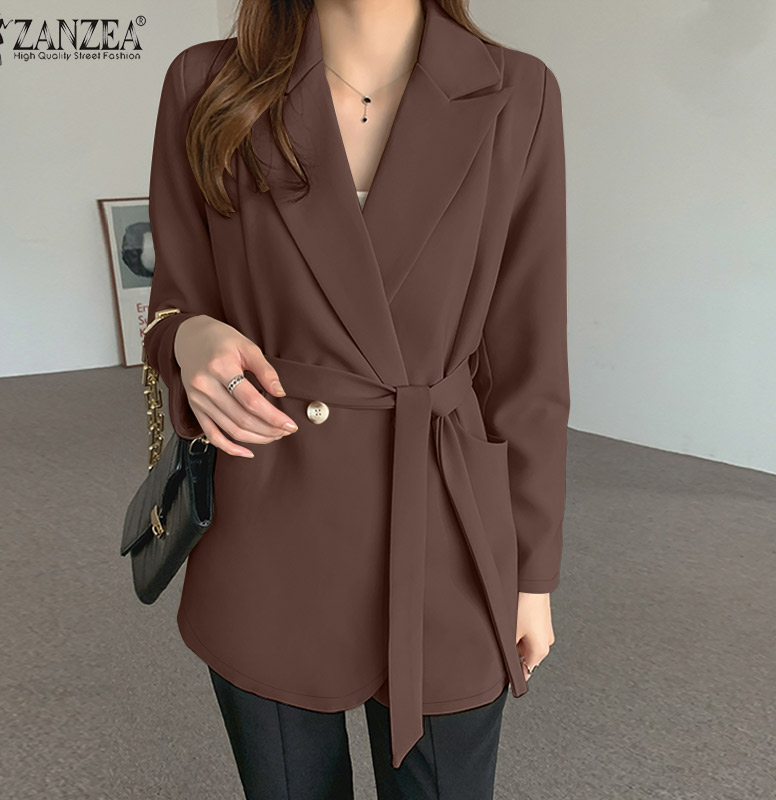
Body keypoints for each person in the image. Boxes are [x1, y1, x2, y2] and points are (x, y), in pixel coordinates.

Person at [141, 0, 569, 797]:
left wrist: (532, 572)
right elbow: (175, 299)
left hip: (447, 521)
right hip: (270, 509)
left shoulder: (520, 91)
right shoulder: (207, 83)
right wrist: (189, 337)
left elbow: (528, 363)